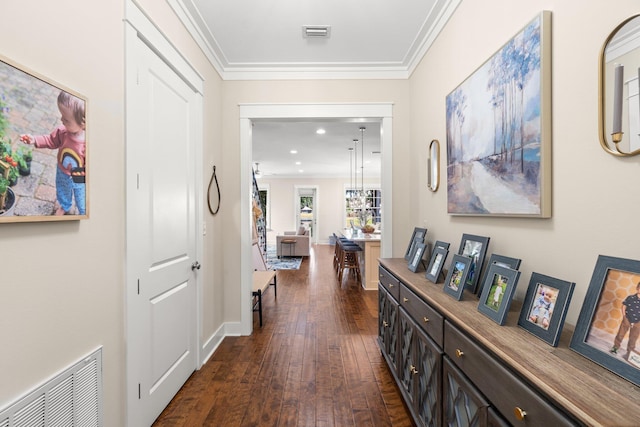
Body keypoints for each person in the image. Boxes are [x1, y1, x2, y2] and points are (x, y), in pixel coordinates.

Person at [21, 91, 86, 215]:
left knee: (81, 196)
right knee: (62, 190)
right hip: (62, 171)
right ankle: (65, 205)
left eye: (66, 119)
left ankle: (84, 211)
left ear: (82, 123)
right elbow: (50, 140)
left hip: (80, 177)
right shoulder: (62, 132)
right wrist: (34, 139)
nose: (61, 120)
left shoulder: (87, 142)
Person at [611, 282, 640, 359]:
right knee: (620, 334)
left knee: (633, 337)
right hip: (627, 318)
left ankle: (629, 353)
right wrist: (624, 316)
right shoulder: (630, 298)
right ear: (637, 288)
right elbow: (624, 306)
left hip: (638, 322)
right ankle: (615, 347)